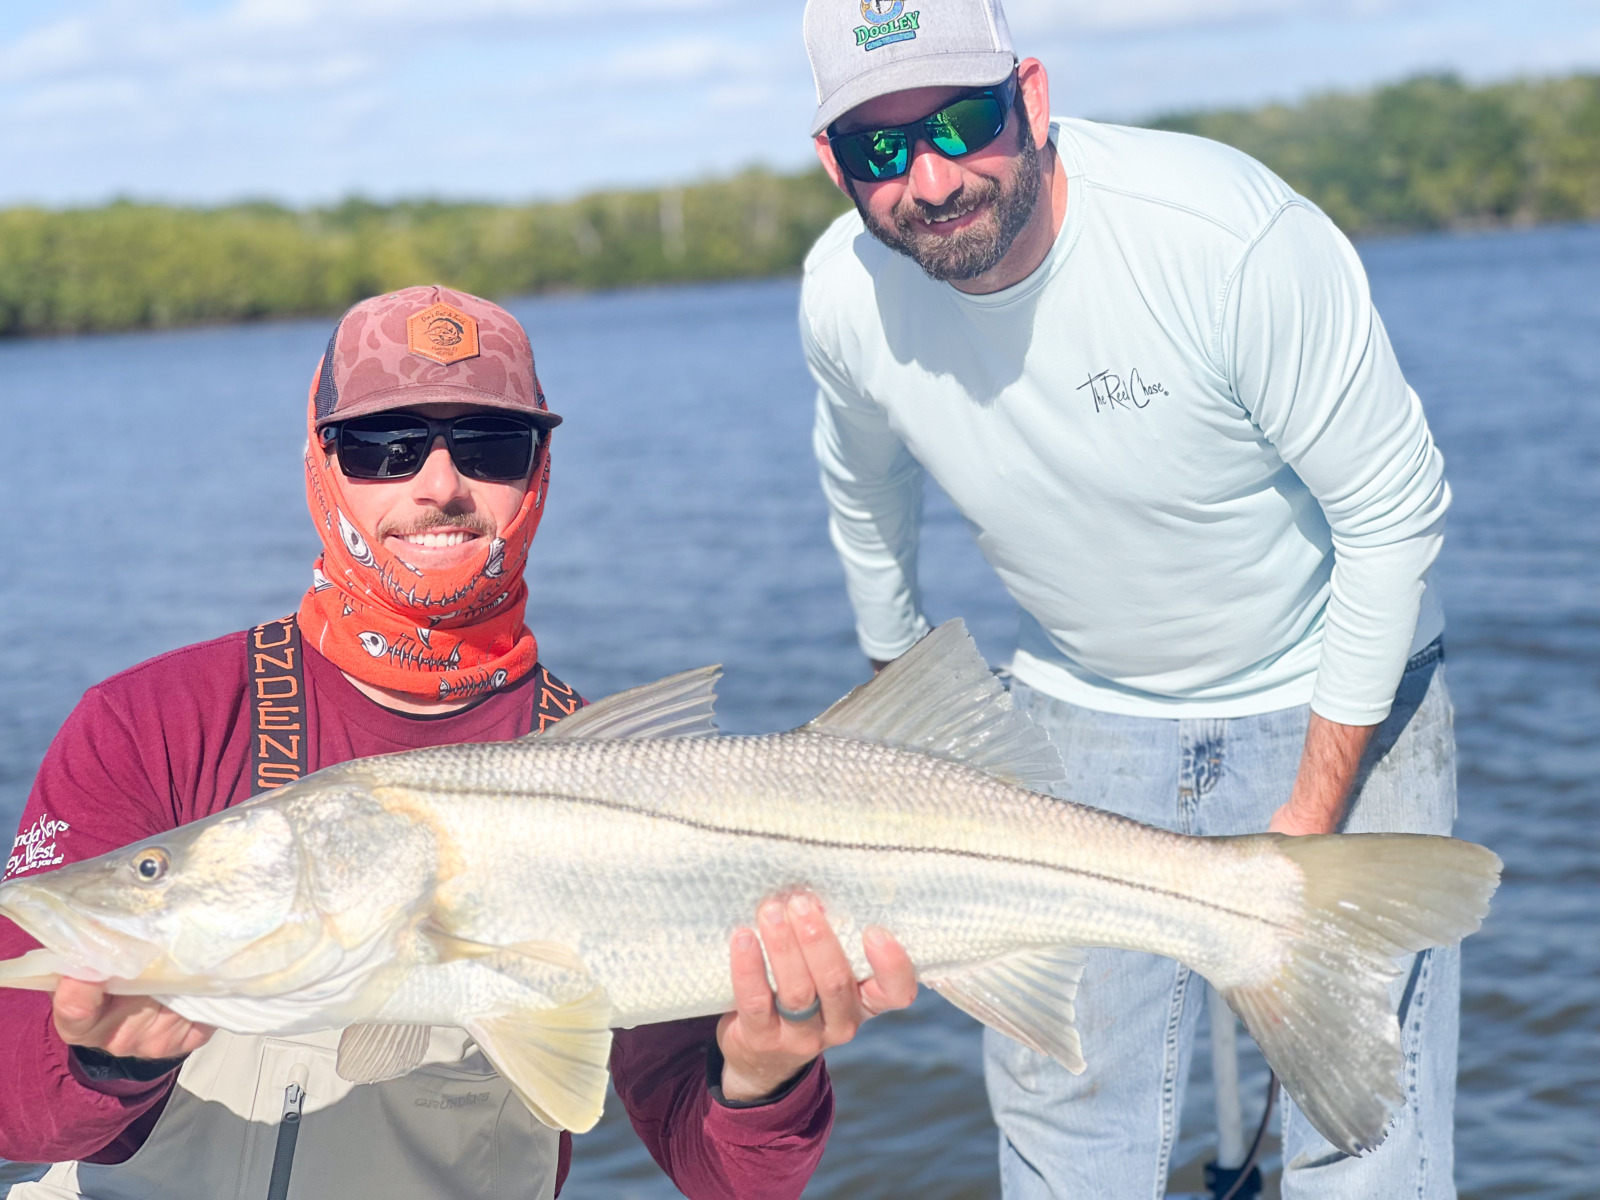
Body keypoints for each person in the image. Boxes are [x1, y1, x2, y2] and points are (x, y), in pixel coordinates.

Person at [0, 285, 917, 1200]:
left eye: (487, 445)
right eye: (383, 446)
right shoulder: (151, 721)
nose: (438, 486)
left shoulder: (603, 769)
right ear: (321, 465)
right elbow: (14, 1111)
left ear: (539, 470)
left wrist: (763, 1072)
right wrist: (103, 1065)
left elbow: (725, 1176)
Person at [797, 2, 1459, 1197]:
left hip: (1334, 691)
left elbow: (1392, 513)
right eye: (881, 150)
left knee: (1360, 1143)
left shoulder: (1225, 235)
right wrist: (897, 720)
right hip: (1073, 712)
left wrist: (1298, 840)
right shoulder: (842, 300)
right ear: (832, 164)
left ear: (1032, 98)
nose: (933, 177)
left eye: (962, 120)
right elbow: (864, 497)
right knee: (1063, 1127)